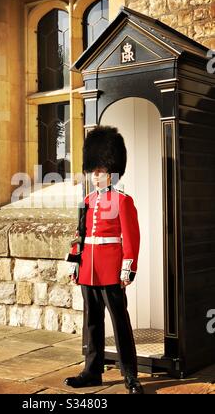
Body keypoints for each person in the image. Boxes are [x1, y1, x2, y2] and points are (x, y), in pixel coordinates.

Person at [64, 126, 144, 394]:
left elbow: (131, 239)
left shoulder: (123, 201)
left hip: (111, 270)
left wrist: (127, 269)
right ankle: (92, 370)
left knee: (120, 322)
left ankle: (130, 375)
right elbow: (80, 235)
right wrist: (76, 263)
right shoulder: (87, 201)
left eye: (99, 171)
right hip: (89, 270)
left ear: (112, 172)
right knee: (92, 322)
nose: (95, 176)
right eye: (93, 170)